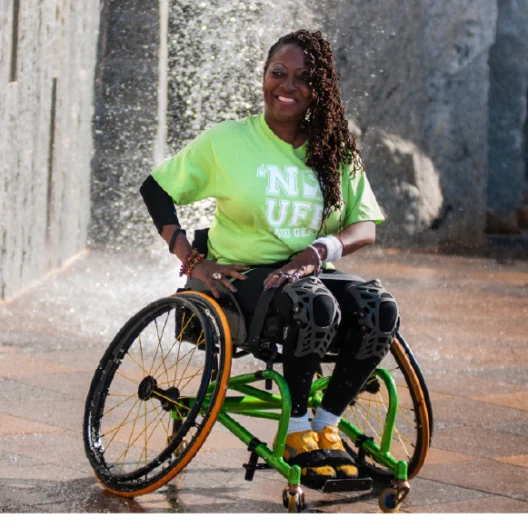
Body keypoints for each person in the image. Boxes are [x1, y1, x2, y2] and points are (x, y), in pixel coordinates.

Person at [140, 29, 399, 488]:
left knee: (380, 308)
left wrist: (319, 250)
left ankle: (327, 423)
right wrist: (191, 259)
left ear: (320, 89)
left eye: (303, 78)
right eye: (279, 73)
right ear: (263, 77)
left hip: (311, 270)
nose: (288, 86)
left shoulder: (334, 148)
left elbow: (365, 226)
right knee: (314, 304)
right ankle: (298, 431)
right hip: (243, 280)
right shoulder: (228, 141)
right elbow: (156, 188)